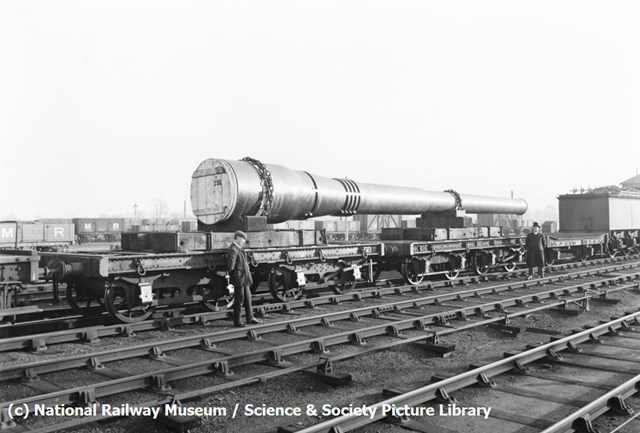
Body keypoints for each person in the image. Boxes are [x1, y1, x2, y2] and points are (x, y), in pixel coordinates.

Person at [226, 231, 262, 327]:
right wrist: (235, 276)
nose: (243, 241)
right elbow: (231, 267)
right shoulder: (233, 249)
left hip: (244, 278)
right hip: (239, 279)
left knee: (248, 297)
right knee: (239, 300)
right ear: (237, 238)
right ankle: (237, 321)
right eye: (242, 239)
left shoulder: (238, 249)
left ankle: (250, 318)